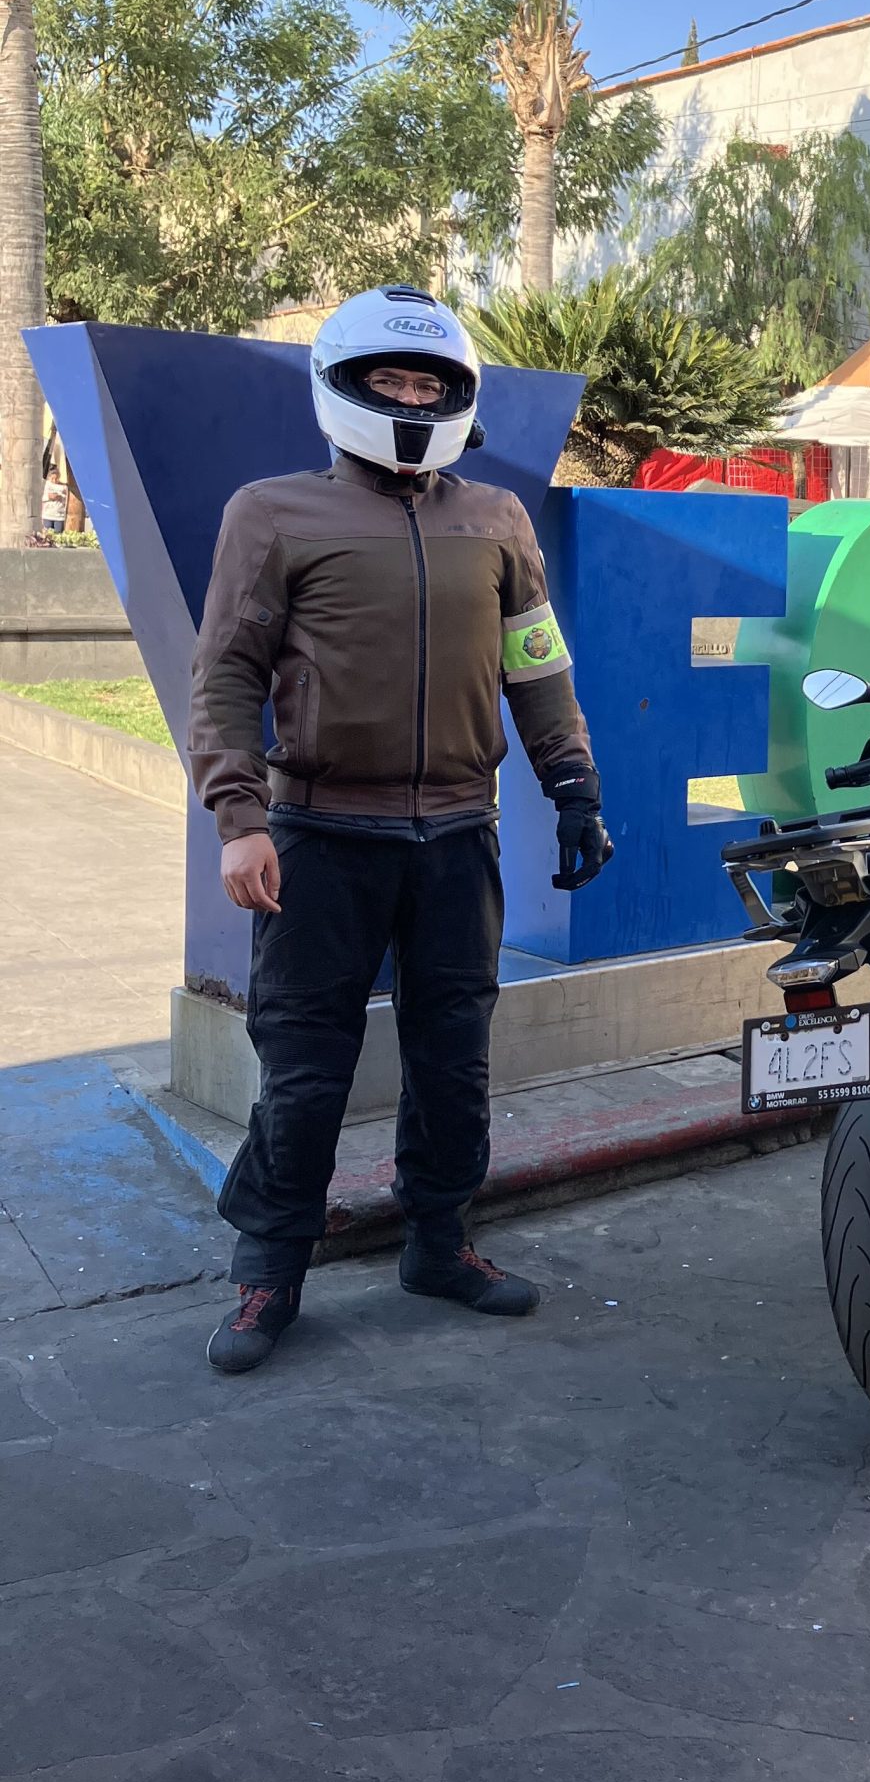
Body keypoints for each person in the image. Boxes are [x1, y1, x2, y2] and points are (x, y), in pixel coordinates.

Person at [187, 286, 613, 1375]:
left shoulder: (497, 520)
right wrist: (239, 819)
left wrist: (574, 785)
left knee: (454, 1058)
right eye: (392, 380)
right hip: (320, 836)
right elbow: (225, 675)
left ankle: (438, 1241)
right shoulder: (272, 514)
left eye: (431, 385)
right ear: (344, 389)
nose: (413, 400)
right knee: (304, 1068)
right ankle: (269, 1268)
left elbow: (538, 668)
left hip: (458, 838)